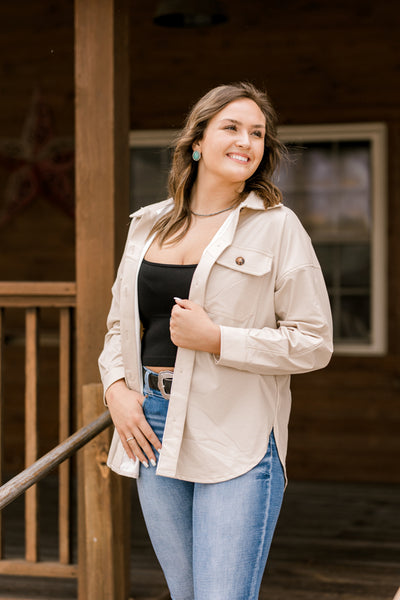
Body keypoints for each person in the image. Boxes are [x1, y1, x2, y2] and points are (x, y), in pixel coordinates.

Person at [98, 82, 333, 600]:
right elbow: (118, 325)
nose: (246, 141)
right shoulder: (146, 226)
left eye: (257, 133)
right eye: (231, 127)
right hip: (152, 427)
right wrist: (116, 388)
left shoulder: (277, 227)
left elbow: (314, 342)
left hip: (239, 430)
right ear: (197, 141)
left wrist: (218, 339)